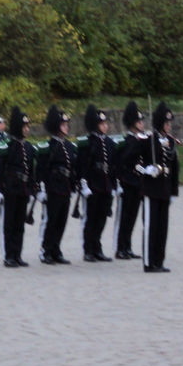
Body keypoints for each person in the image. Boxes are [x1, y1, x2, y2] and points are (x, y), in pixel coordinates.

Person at [0, 106, 37, 268]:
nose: (27, 129)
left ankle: (17, 254)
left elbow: (30, 171)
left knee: (19, 224)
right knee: (8, 224)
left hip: (22, 189)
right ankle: (8, 255)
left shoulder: (28, 147)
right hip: (9, 188)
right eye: (24, 127)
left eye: (27, 126)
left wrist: (32, 188)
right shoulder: (6, 145)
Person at [140, 101, 180, 273]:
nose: (169, 126)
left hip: (164, 189)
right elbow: (132, 161)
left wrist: (173, 191)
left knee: (162, 227)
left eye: (169, 123)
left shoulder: (170, 141)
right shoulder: (148, 140)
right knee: (151, 226)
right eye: (166, 123)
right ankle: (149, 263)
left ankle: (159, 260)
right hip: (151, 189)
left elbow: (175, 167)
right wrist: (146, 169)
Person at [35, 105, 77, 265]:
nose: (66, 126)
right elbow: (40, 169)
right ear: (56, 126)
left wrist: (73, 186)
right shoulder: (48, 147)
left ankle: (56, 249)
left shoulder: (68, 146)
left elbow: (72, 168)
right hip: (52, 187)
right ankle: (45, 250)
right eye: (63, 124)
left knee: (61, 221)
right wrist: (40, 188)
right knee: (50, 221)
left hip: (65, 187)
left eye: (66, 124)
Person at [112, 100, 148, 261]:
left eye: (142, 121)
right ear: (133, 124)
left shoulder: (141, 139)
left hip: (138, 182)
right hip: (127, 181)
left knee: (133, 216)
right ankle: (120, 247)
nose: (142, 124)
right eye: (139, 122)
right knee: (124, 217)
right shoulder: (127, 141)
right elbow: (125, 160)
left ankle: (127, 246)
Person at [79, 104, 115, 262]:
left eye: (105, 123)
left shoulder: (109, 143)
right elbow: (83, 165)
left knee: (101, 218)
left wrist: (114, 185)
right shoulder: (88, 143)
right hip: (93, 183)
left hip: (105, 183)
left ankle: (97, 247)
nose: (105, 126)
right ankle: (88, 249)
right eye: (102, 123)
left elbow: (113, 165)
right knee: (91, 218)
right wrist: (84, 184)